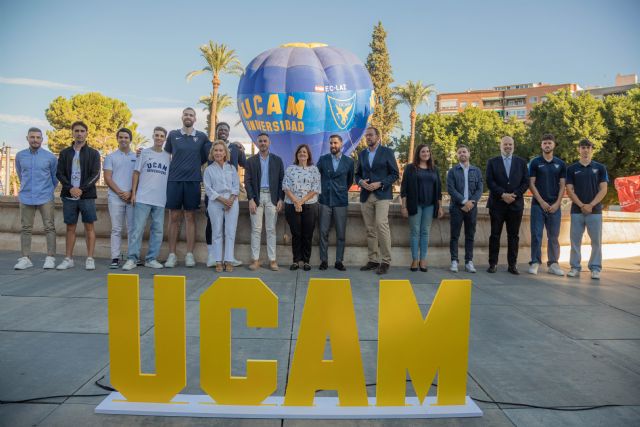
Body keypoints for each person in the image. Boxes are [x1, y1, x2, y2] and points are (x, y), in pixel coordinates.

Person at [163, 107, 211, 268]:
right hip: (174, 181)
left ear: (195, 119)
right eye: (186, 114)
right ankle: (172, 255)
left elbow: (207, 156)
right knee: (174, 218)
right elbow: (165, 155)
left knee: (190, 217)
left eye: (191, 115)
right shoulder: (173, 135)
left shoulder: (202, 137)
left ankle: (190, 254)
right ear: (182, 117)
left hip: (193, 181)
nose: (188, 117)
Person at [122, 127, 170, 271]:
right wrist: (134, 193)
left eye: (162, 136)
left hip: (160, 199)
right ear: (153, 136)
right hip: (143, 197)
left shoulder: (168, 156)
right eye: (157, 135)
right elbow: (136, 173)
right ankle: (132, 259)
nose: (159, 138)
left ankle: (151, 259)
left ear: (165, 138)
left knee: (158, 231)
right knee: (137, 230)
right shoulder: (144, 153)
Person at [55, 121, 101, 270]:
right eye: (77, 131)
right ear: (72, 133)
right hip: (69, 196)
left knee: (89, 227)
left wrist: (81, 189)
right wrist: (70, 188)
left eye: (82, 131)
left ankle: (90, 258)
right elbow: (59, 173)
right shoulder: (65, 153)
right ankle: (68, 259)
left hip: (86, 196)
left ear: (86, 133)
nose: (79, 133)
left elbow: (96, 175)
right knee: (70, 227)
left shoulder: (93, 153)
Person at [355, 126, 400, 275]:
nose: (368, 138)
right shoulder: (361, 154)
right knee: (370, 229)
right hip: (365, 195)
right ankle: (373, 260)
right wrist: (361, 182)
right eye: (366, 135)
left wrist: (380, 183)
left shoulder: (387, 152)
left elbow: (394, 174)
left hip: (382, 194)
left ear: (378, 137)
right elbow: (357, 175)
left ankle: (386, 261)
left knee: (381, 224)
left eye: (370, 135)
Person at [14, 127, 58, 270]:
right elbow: (21, 174)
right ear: (27, 138)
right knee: (26, 228)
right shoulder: (20, 156)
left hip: (45, 196)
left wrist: (47, 190)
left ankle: (50, 257)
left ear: (42, 140)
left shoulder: (50, 157)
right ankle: (25, 258)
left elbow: (54, 178)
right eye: (32, 137)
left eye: (38, 137)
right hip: (26, 196)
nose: (35, 140)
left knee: (49, 227)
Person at [565, 139, 608, 280]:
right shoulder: (571, 169)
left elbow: (604, 189)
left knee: (596, 241)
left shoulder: (600, 168)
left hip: (595, 212)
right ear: (579, 149)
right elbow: (569, 190)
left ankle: (595, 268)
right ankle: (575, 267)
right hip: (577, 211)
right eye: (583, 147)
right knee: (575, 241)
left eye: (588, 147)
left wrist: (591, 205)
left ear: (591, 150)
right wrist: (582, 205)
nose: (585, 150)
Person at [204, 122, 245, 267]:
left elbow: (235, 185)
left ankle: (228, 260)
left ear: (225, 152)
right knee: (217, 232)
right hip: (215, 203)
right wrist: (222, 200)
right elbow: (208, 189)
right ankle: (217, 261)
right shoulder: (209, 170)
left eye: (221, 150)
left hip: (232, 202)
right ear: (212, 152)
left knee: (230, 232)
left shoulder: (231, 168)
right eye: (216, 150)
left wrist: (231, 199)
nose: (218, 153)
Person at [485, 136, 529, 274]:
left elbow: (525, 182)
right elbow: (490, 181)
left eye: (510, 144)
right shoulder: (492, 162)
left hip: (515, 205)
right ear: (500, 146)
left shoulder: (521, 162)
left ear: (513, 146)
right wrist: (502, 194)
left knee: (513, 236)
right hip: (497, 204)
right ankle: (493, 264)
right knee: (495, 235)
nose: (508, 146)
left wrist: (514, 195)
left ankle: (512, 265)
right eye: (505, 144)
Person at [244, 133, 284, 271]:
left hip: (272, 198)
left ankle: (272, 260)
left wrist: (280, 199)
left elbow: (281, 181)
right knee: (256, 230)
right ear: (257, 143)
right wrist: (250, 199)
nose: (262, 143)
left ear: (269, 142)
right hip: (257, 197)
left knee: (271, 229)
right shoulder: (251, 161)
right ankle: (255, 260)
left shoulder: (277, 160)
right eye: (260, 141)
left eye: (265, 141)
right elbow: (247, 181)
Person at [400, 144, 443, 272]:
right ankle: (414, 259)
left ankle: (423, 259)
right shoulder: (410, 168)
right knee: (415, 232)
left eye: (428, 151)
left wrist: (440, 207)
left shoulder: (434, 169)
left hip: (430, 205)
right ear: (418, 153)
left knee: (425, 232)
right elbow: (404, 189)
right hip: (415, 205)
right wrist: (403, 206)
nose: (426, 153)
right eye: (423, 151)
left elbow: (439, 190)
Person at [528, 134, 566, 276]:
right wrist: (541, 201)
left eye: (549, 143)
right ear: (541, 145)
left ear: (554, 145)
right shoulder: (535, 162)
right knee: (536, 235)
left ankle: (553, 264)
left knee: (554, 236)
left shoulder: (560, 164)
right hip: (538, 205)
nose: (547, 145)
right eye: (544, 143)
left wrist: (557, 203)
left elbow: (563, 186)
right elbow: (531, 183)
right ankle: (535, 262)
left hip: (555, 206)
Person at [316, 134, 354, 271]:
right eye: (331, 143)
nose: (333, 145)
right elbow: (316, 176)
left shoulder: (349, 162)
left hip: (341, 201)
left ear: (341, 144)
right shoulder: (322, 160)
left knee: (341, 233)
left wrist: (341, 189)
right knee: (323, 232)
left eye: (335, 143)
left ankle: (339, 261)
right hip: (325, 200)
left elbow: (350, 180)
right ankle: (324, 260)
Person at [283, 144, 321, 271]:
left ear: (308, 154)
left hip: (310, 205)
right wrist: (296, 202)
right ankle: (295, 261)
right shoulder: (290, 169)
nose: (302, 154)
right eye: (300, 152)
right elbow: (285, 187)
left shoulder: (314, 170)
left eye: (305, 152)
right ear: (297, 155)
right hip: (291, 205)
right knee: (296, 233)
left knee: (307, 234)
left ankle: (306, 261)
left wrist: (302, 201)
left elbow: (315, 188)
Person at [103, 128, 137, 268]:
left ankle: (131, 257)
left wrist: (130, 192)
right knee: (116, 229)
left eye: (126, 137)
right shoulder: (111, 157)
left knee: (132, 229)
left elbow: (138, 177)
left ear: (130, 140)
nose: (123, 139)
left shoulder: (136, 157)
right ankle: (115, 258)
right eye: (121, 137)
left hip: (131, 197)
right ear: (117, 139)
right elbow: (107, 178)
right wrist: (121, 193)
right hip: (115, 198)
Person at [446, 144, 483, 273]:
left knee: (470, 235)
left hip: (472, 208)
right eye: (460, 152)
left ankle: (469, 261)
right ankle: (454, 261)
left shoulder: (476, 171)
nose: (462, 154)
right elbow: (450, 189)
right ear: (457, 155)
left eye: (464, 152)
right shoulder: (452, 171)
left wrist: (471, 202)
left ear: (469, 154)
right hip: (457, 208)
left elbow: (480, 188)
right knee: (454, 235)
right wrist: (463, 202)